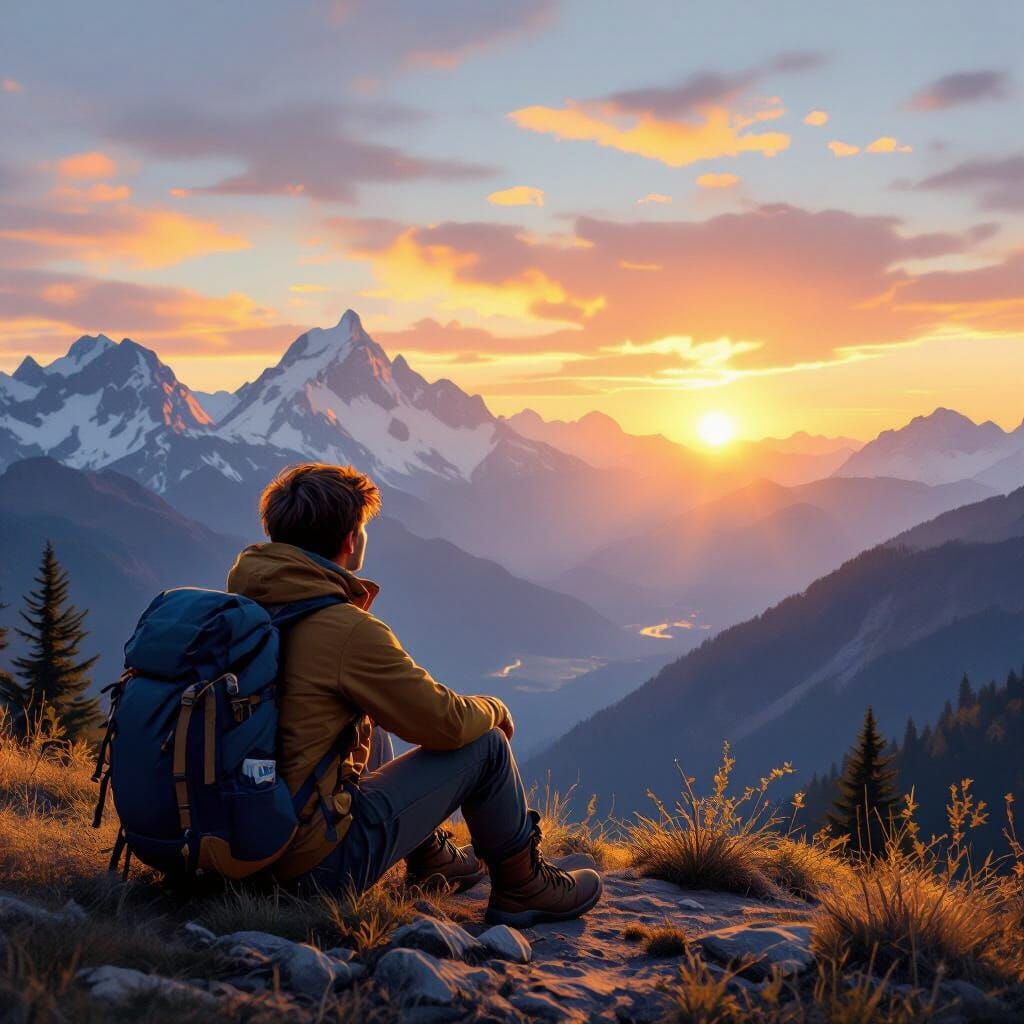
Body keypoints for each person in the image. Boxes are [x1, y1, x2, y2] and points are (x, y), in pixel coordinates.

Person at [226, 462, 602, 925]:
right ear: (351, 541)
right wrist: (494, 708)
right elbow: (442, 723)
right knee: (485, 746)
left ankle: (431, 859)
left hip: (232, 850)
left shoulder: (237, 612)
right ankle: (524, 886)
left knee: (367, 725)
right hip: (308, 870)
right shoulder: (343, 630)